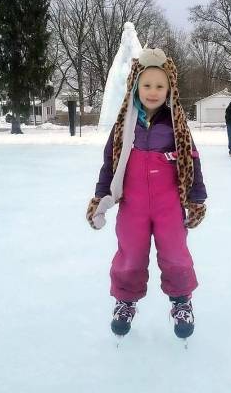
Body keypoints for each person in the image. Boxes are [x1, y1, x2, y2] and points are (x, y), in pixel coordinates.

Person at [86, 48, 207, 340]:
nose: (153, 92)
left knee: (176, 253)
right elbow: (110, 163)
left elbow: (191, 160)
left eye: (160, 86)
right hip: (133, 206)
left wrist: (196, 198)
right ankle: (125, 301)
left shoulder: (175, 125)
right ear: (136, 87)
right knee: (130, 253)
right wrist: (100, 197)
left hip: (169, 206)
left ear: (170, 89)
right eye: (147, 85)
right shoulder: (124, 125)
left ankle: (181, 301)